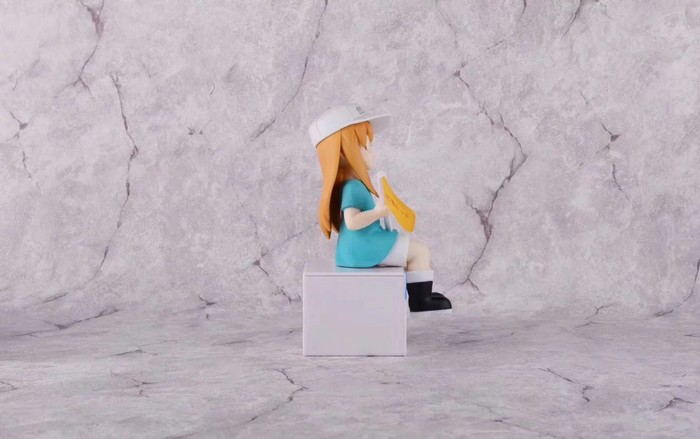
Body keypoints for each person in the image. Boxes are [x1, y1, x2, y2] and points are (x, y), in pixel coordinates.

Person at [309, 104, 452, 313]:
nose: (373, 154)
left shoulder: (354, 184)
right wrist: (378, 212)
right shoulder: (353, 187)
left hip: (361, 245)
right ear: (343, 152)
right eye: (366, 148)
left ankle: (420, 295)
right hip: (364, 247)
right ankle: (421, 301)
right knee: (420, 252)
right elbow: (351, 221)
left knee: (415, 249)